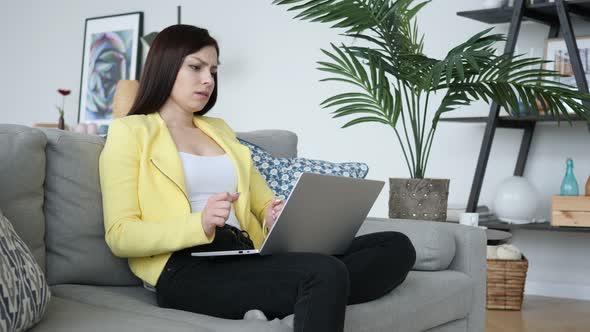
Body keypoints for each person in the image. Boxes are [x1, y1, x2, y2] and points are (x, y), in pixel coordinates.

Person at [99, 24, 416, 332]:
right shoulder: (131, 132)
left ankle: (299, 296)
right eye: (196, 67)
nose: (207, 79)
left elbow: (263, 202)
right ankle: (310, 292)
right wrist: (201, 223)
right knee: (324, 273)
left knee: (395, 246)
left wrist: (273, 214)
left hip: (245, 253)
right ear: (165, 66)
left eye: (213, 70)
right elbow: (120, 235)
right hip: (185, 269)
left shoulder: (219, 130)